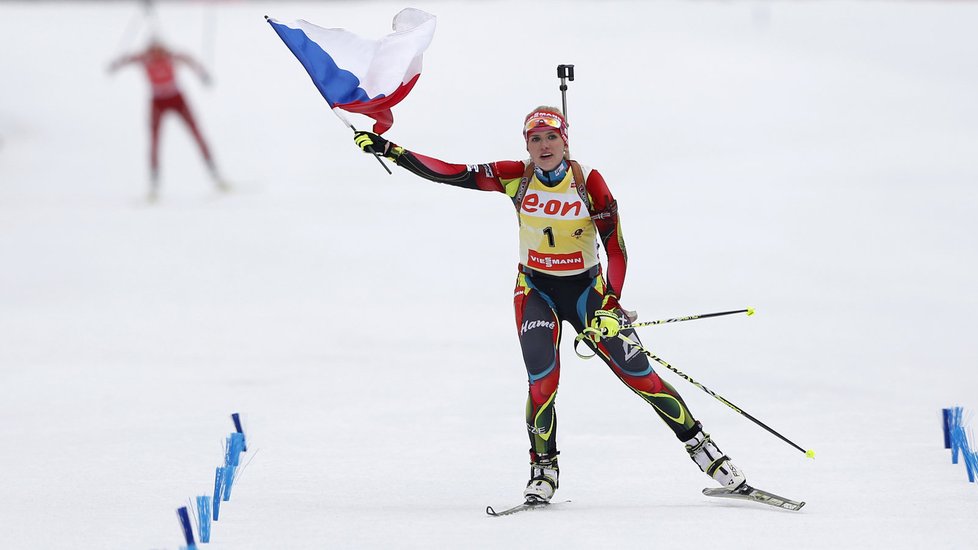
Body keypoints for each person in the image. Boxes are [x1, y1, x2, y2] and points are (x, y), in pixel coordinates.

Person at [352, 106, 746, 504]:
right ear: (526, 144)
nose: (543, 146)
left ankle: (707, 453)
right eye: (535, 139)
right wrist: (391, 150)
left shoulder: (587, 181)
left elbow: (616, 246)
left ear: (565, 140)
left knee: (639, 375)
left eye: (551, 137)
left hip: (587, 292)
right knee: (543, 382)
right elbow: (451, 171)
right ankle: (543, 469)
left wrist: (611, 301)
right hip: (535, 290)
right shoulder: (514, 176)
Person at [108, 39, 227, 201]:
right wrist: (115, 65)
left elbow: (188, 59)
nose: (158, 53)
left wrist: (203, 74)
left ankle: (216, 176)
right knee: (155, 141)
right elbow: (127, 59)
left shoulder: (170, 56)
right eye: (154, 50)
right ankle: (153, 185)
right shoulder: (145, 58)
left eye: (160, 49)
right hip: (158, 102)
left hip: (177, 99)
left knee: (197, 134)